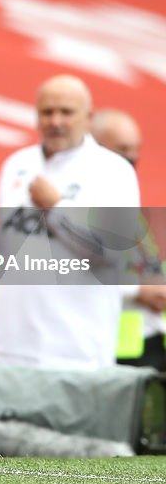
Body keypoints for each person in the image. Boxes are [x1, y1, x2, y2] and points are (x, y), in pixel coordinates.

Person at [0, 75, 141, 370]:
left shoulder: (113, 171)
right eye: (47, 112)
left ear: (88, 118)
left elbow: (113, 251)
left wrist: (57, 208)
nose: (55, 121)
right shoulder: (16, 165)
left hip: (74, 354)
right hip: (6, 348)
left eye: (67, 112)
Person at [91, 109, 166, 372]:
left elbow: (145, 260)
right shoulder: (82, 200)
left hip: (153, 337)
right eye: (123, 148)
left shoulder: (125, 198)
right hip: (118, 347)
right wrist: (139, 292)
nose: (133, 157)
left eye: (136, 148)